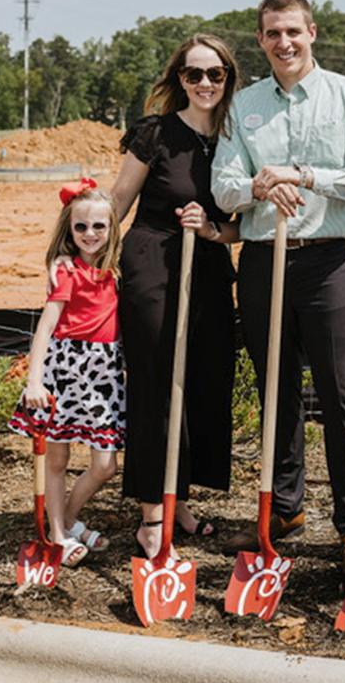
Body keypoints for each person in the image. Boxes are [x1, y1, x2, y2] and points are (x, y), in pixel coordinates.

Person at [213, 0, 345, 576]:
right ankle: (283, 509)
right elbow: (223, 186)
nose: (283, 43)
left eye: (293, 31)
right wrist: (261, 186)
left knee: (341, 394)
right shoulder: (245, 105)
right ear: (260, 41)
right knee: (276, 390)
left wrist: (301, 174)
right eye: (271, 34)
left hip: (329, 261)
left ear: (312, 32)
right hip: (263, 261)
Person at [111, 34, 242, 559]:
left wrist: (213, 228)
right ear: (179, 79)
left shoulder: (237, 139)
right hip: (153, 264)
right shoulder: (156, 133)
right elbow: (119, 199)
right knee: (159, 381)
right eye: (194, 74)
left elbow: (241, 228)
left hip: (208, 265)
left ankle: (178, 496)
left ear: (229, 78)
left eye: (216, 74)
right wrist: (75, 256)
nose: (205, 83)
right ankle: (150, 511)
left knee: (201, 383)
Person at [8, 179, 124, 567]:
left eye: (99, 226)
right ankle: (57, 533)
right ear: (68, 229)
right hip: (65, 369)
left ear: (112, 229)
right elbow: (45, 327)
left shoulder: (117, 271)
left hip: (103, 374)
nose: (90, 234)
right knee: (56, 461)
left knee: (105, 466)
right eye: (81, 227)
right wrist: (35, 379)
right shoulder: (65, 271)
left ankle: (70, 517)